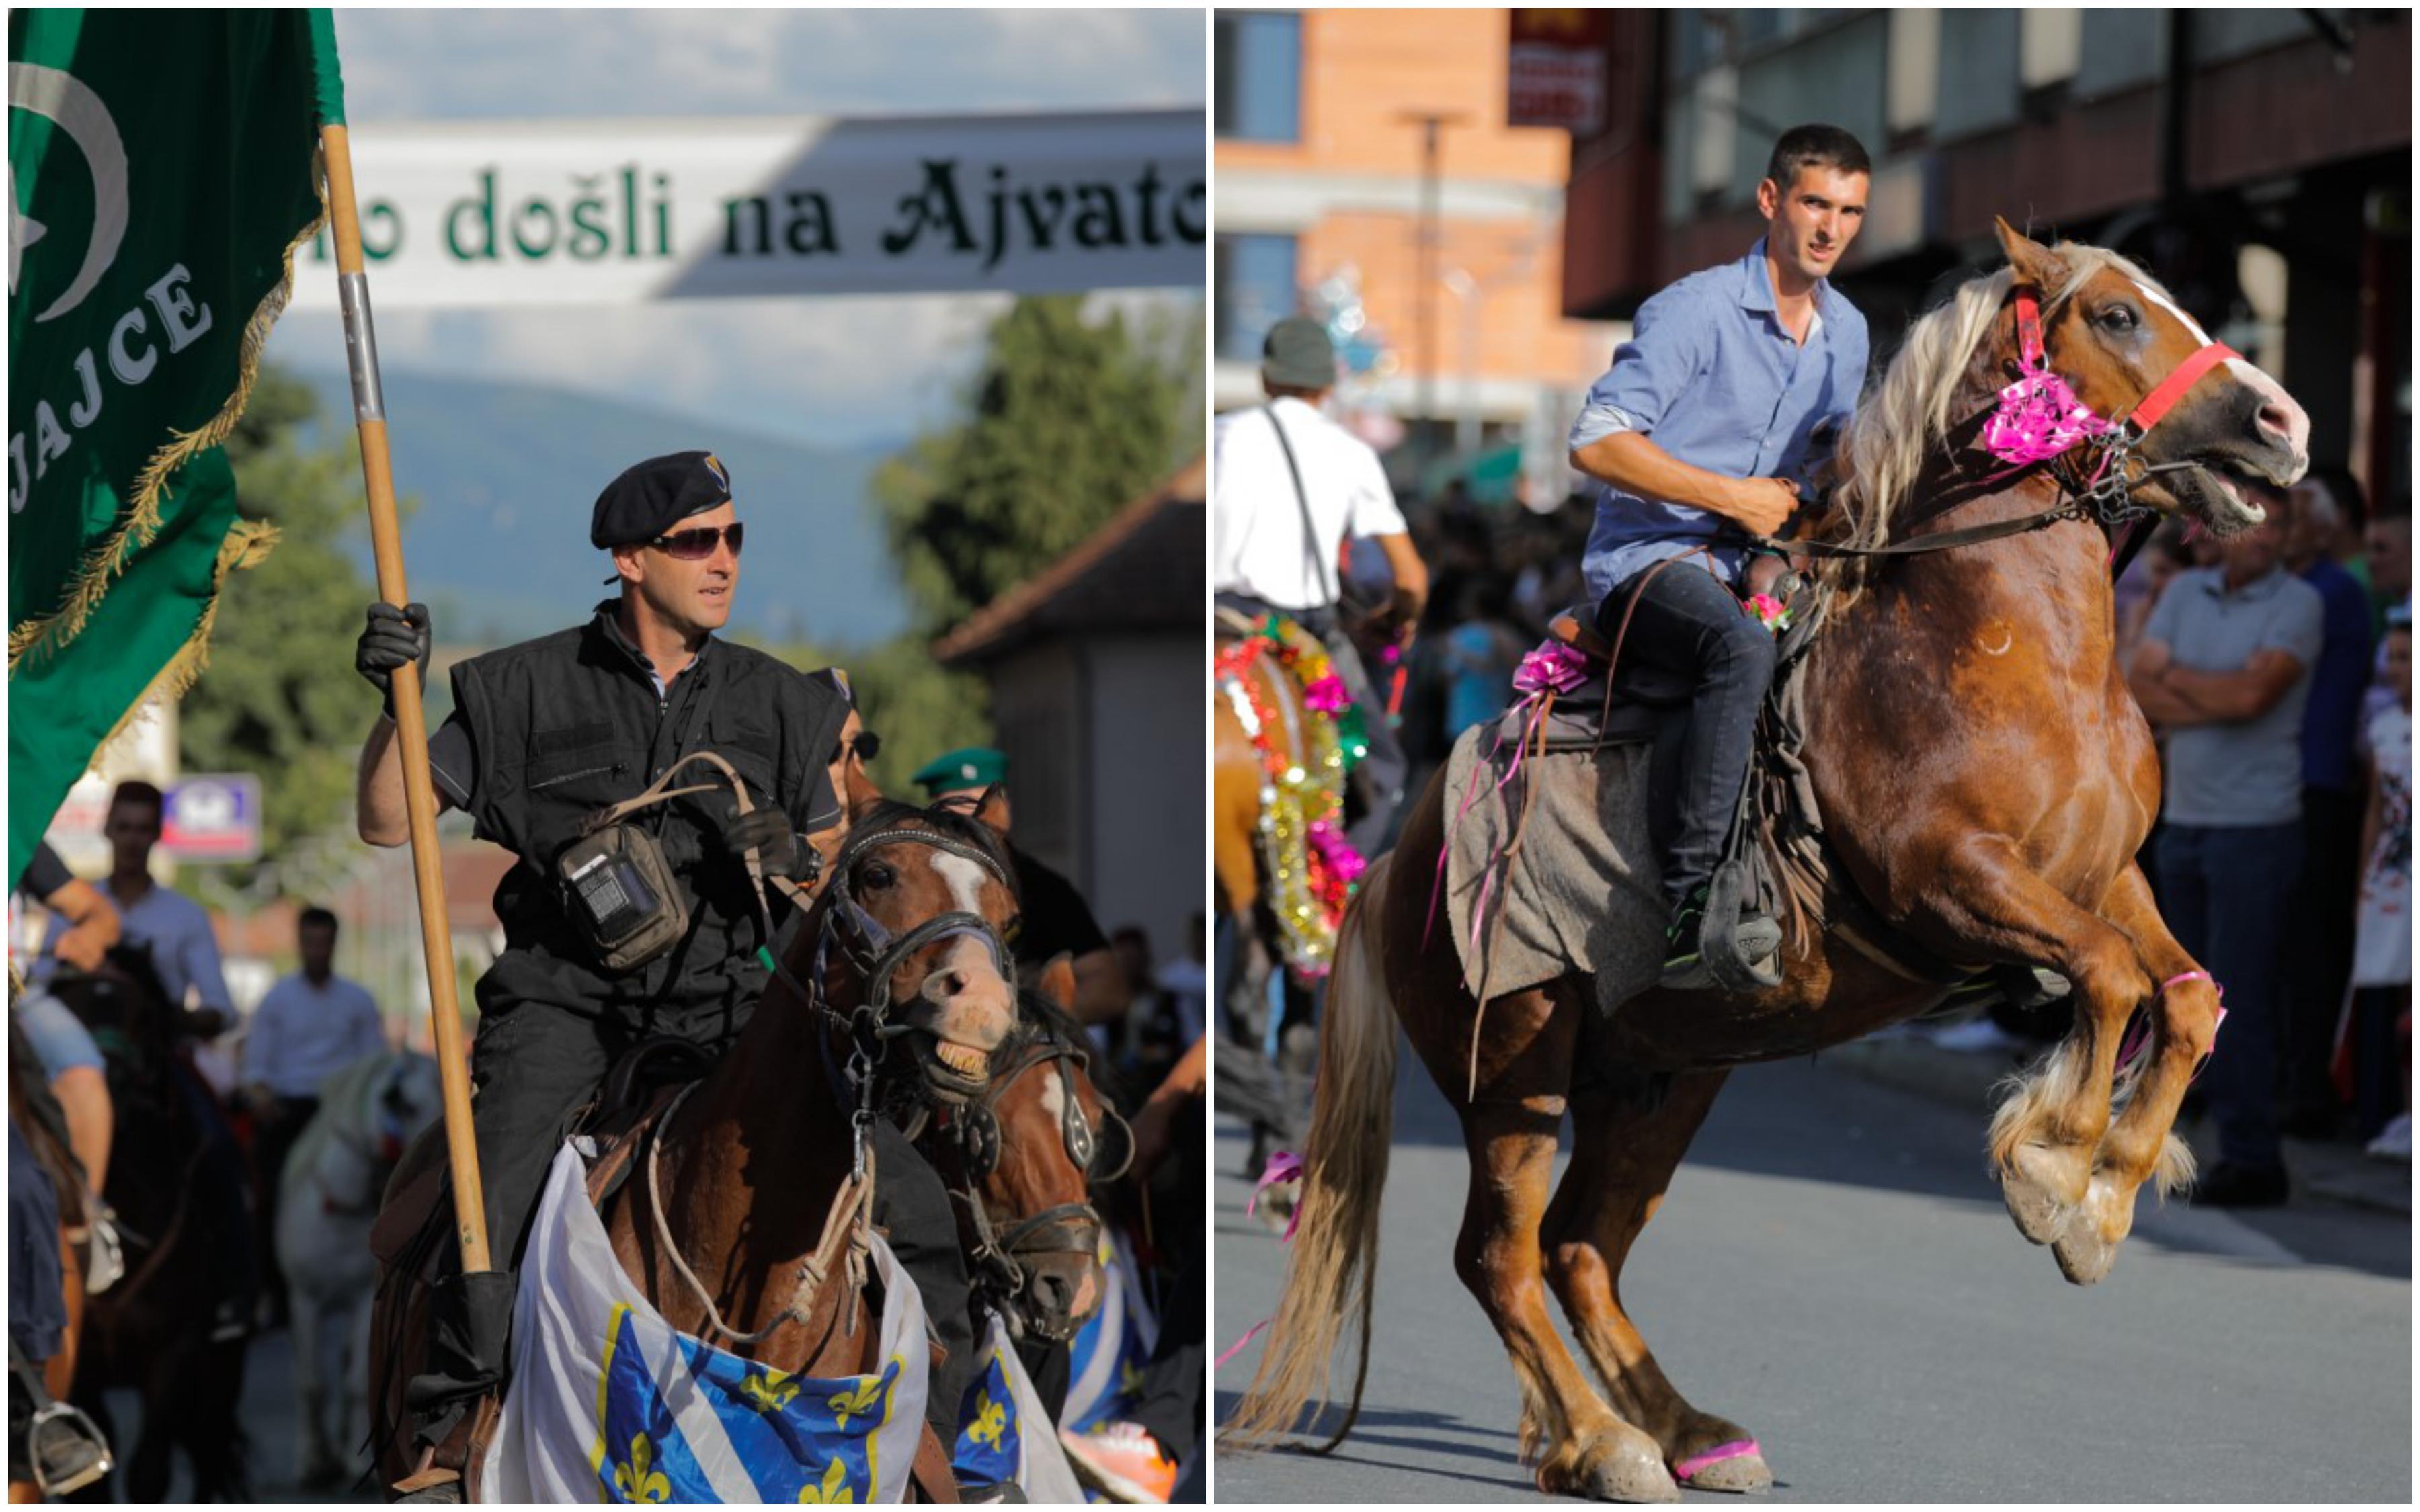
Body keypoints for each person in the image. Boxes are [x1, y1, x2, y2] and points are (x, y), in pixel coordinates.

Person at [353, 451, 975, 1462]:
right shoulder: (520, 688)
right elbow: (388, 822)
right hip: (565, 1013)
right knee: (490, 1187)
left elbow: (832, 889)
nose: (724, 559)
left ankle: (937, 1452)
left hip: (738, 1009)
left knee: (918, 1202)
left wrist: (787, 862)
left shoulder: (784, 703)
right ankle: (452, 1428)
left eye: (734, 537)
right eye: (697, 541)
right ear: (631, 559)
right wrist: (396, 703)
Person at [1566, 123, 1871, 984]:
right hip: (1649, 562)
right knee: (1738, 647)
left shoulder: (1848, 333)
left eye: (1850, 211)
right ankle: (1692, 908)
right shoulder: (1693, 309)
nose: (1831, 228)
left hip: (1763, 566)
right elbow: (1594, 442)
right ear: (1772, 200)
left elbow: (1825, 470)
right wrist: (1731, 498)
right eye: (1815, 203)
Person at [2128, 505, 2325, 1206]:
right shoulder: (2184, 592)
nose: (2263, 537)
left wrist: (2182, 685)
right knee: (2177, 998)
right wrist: (2214, 692)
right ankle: (2173, 1147)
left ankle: (2252, 1158)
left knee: (2237, 999)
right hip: (2185, 819)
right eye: (2255, 524)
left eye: (2277, 528)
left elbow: (2254, 696)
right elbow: (2138, 684)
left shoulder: (2301, 603)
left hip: (2258, 827)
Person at [33, 781, 254, 1336]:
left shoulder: (185, 917)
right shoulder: (71, 909)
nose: (132, 840)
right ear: (107, 830)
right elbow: (39, 981)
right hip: (82, 1057)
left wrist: (169, 1020)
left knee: (223, 1150)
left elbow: (222, 1009)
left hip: (160, 1063)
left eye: (142, 828)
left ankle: (237, 1295)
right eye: (123, 827)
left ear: (158, 834)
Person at [1212, 315, 1431, 858]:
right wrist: (1397, 619)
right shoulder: (1351, 453)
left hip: (1218, 627)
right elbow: (1411, 577)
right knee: (1382, 767)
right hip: (1300, 632)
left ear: (1266, 379)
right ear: (1329, 384)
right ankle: (1335, 896)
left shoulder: (1222, 434)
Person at [2270, 478, 2378, 1134]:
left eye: (2304, 512)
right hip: (2294, 779)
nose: (2289, 523)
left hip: (2319, 782)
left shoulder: (2329, 591)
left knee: (2309, 947)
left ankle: (2308, 1090)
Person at [241, 905, 389, 1326]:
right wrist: (262, 1096)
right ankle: (270, 1289)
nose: (317, 950)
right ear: (299, 943)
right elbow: (256, 1068)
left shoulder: (359, 1001)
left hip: (343, 1115)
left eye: (324, 942)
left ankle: (389, 1270)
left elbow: (374, 1065)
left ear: (335, 944)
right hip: (293, 1110)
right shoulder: (276, 1000)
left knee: (387, 1179)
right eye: (310, 942)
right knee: (267, 1191)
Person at [908, 748, 1129, 1023]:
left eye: (983, 805)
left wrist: (1026, 1026)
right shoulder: (916, 886)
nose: (972, 818)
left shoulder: (1043, 888)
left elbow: (1109, 989)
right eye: (957, 806)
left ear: (1004, 812)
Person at [12, 843, 120, 1195]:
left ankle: (87, 1217)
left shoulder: (16, 828)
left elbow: (100, 914)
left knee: (82, 1071)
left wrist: (88, 935)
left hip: (17, 999)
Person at [2346, 612, 2411, 1157]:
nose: (2395, 669)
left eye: (2406, 658)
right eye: (2391, 657)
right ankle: (2394, 1112)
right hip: (2390, 877)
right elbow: (2375, 807)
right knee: (2388, 995)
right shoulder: (2384, 723)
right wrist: (2364, 878)